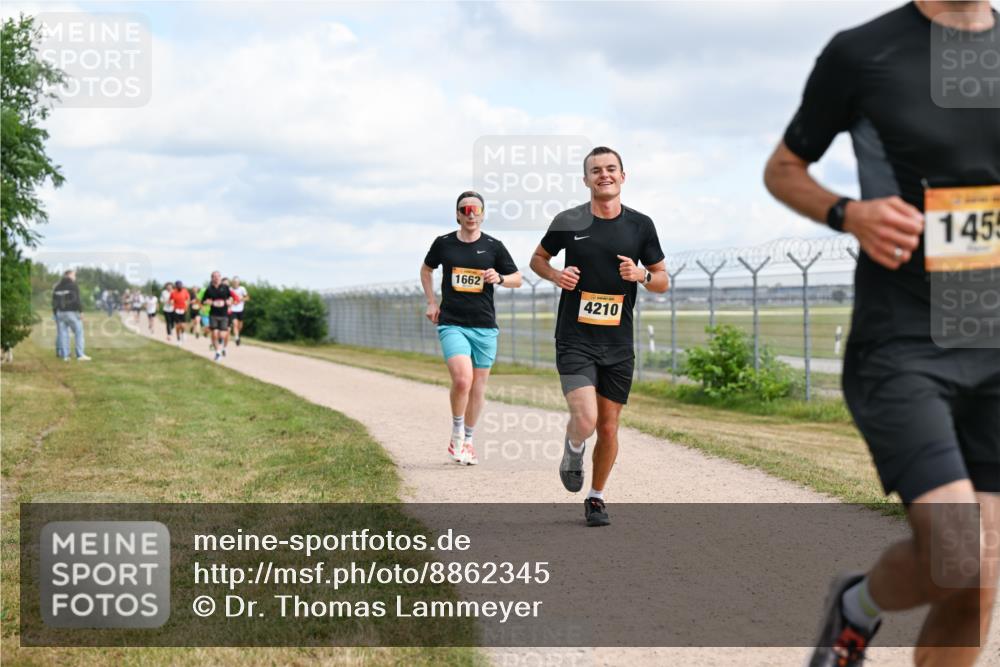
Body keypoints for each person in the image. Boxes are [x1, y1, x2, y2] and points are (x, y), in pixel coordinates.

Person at [764, 2, 999, 665]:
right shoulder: (864, 52)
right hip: (903, 342)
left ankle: (857, 606)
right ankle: (857, 606)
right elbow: (782, 169)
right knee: (963, 550)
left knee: (977, 579)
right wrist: (848, 212)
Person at [529, 147, 668, 526]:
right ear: (586, 179)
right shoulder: (568, 220)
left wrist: (642, 276)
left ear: (623, 176)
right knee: (586, 419)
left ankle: (596, 497)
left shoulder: (641, 226)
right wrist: (556, 275)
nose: (603, 175)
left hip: (618, 344)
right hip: (575, 338)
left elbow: (662, 280)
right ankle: (574, 447)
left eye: (611, 169)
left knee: (608, 427)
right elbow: (537, 259)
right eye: (595, 170)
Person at [421, 190, 522, 466]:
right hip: (453, 322)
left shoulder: (493, 246)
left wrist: (500, 278)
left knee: (478, 387)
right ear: (457, 214)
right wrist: (432, 302)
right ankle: (456, 432)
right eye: (465, 210)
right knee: (463, 380)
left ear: (483, 214)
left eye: (475, 209)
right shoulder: (443, 244)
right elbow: (426, 270)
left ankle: (468, 440)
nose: (471, 214)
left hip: (485, 326)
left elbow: (518, 279)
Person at [52, 269, 91, 361]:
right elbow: (76, 300)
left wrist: (55, 313)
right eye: (74, 275)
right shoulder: (73, 286)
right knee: (79, 332)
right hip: (71, 312)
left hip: (60, 313)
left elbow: (54, 302)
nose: (75, 277)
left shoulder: (57, 287)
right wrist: (81, 311)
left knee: (63, 334)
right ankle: (80, 355)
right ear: (69, 275)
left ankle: (65, 356)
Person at [202, 271, 232, 361]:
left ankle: (220, 345)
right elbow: (203, 301)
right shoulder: (209, 289)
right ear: (212, 278)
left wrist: (229, 301)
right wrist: (207, 302)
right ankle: (218, 352)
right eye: (214, 277)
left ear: (220, 277)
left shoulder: (225, 287)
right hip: (213, 314)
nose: (216, 278)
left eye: (218, 276)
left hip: (224, 314)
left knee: (222, 335)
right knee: (214, 333)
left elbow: (230, 297)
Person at [229, 276, 249, 345]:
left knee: (240, 326)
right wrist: (232, 301)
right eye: (234, 282)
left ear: (239, 283)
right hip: (232, 309)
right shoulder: (229, 289)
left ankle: (238, 334)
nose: (235, 283)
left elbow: (247, 298)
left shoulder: (242, 289)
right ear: (232, 282)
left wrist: (240, 299)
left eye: (236, 282)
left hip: (240, 309)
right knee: (235, 324)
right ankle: (236, 338)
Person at [169, 280, 190, 345]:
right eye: (178, 285)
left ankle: (183, 333)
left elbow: (188, 299)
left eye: (181, 285)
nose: (180, 286)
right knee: (178, 326)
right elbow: (170, 300)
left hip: (183, 310)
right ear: (176, 286)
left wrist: (187, 306)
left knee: (183, 325)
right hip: (176, 310)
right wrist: (171, 302)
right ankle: (178, 339)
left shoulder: (185, 291)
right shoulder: (173, 292)